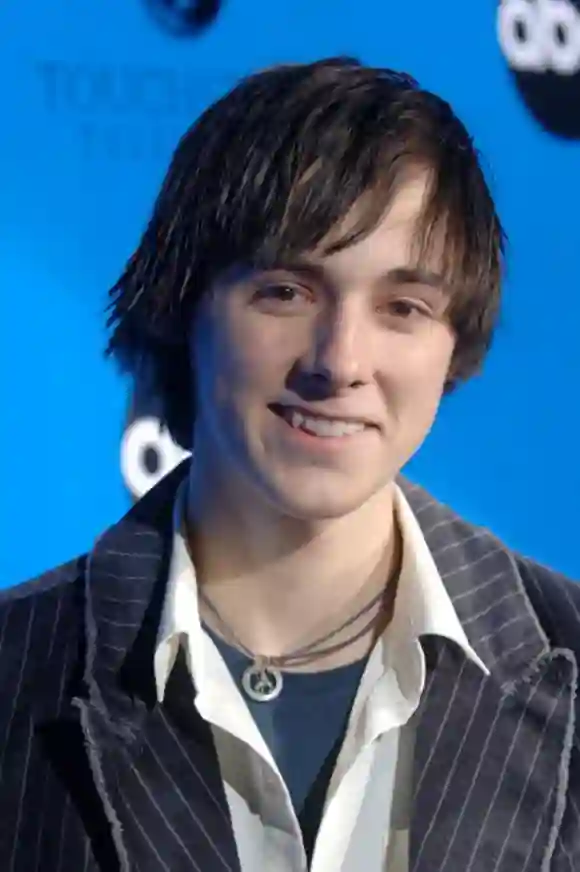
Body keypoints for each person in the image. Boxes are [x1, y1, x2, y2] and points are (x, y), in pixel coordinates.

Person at [1, 57, 579, 872]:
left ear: (456, 344)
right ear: (184, 306)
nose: (340, 361)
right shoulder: (17, 671)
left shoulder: (568, 657)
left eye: (402, 308)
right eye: (286, 292)